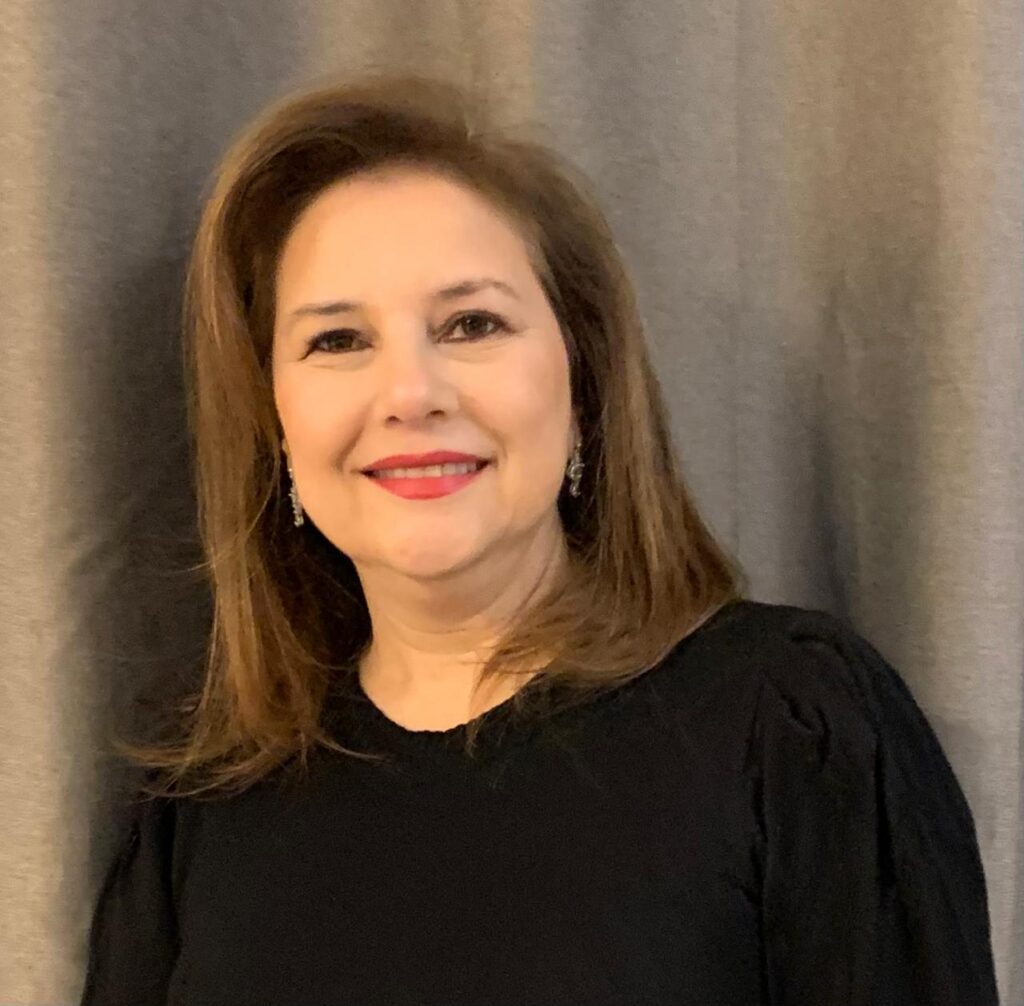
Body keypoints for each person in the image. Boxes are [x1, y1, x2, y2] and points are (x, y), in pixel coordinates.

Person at [79, 71, 999, 1005]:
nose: (410, 394)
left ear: (583, 386)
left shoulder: (790, 728)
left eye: (471, 324)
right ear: (275, 427)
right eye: (338, 341)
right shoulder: (199, 818)